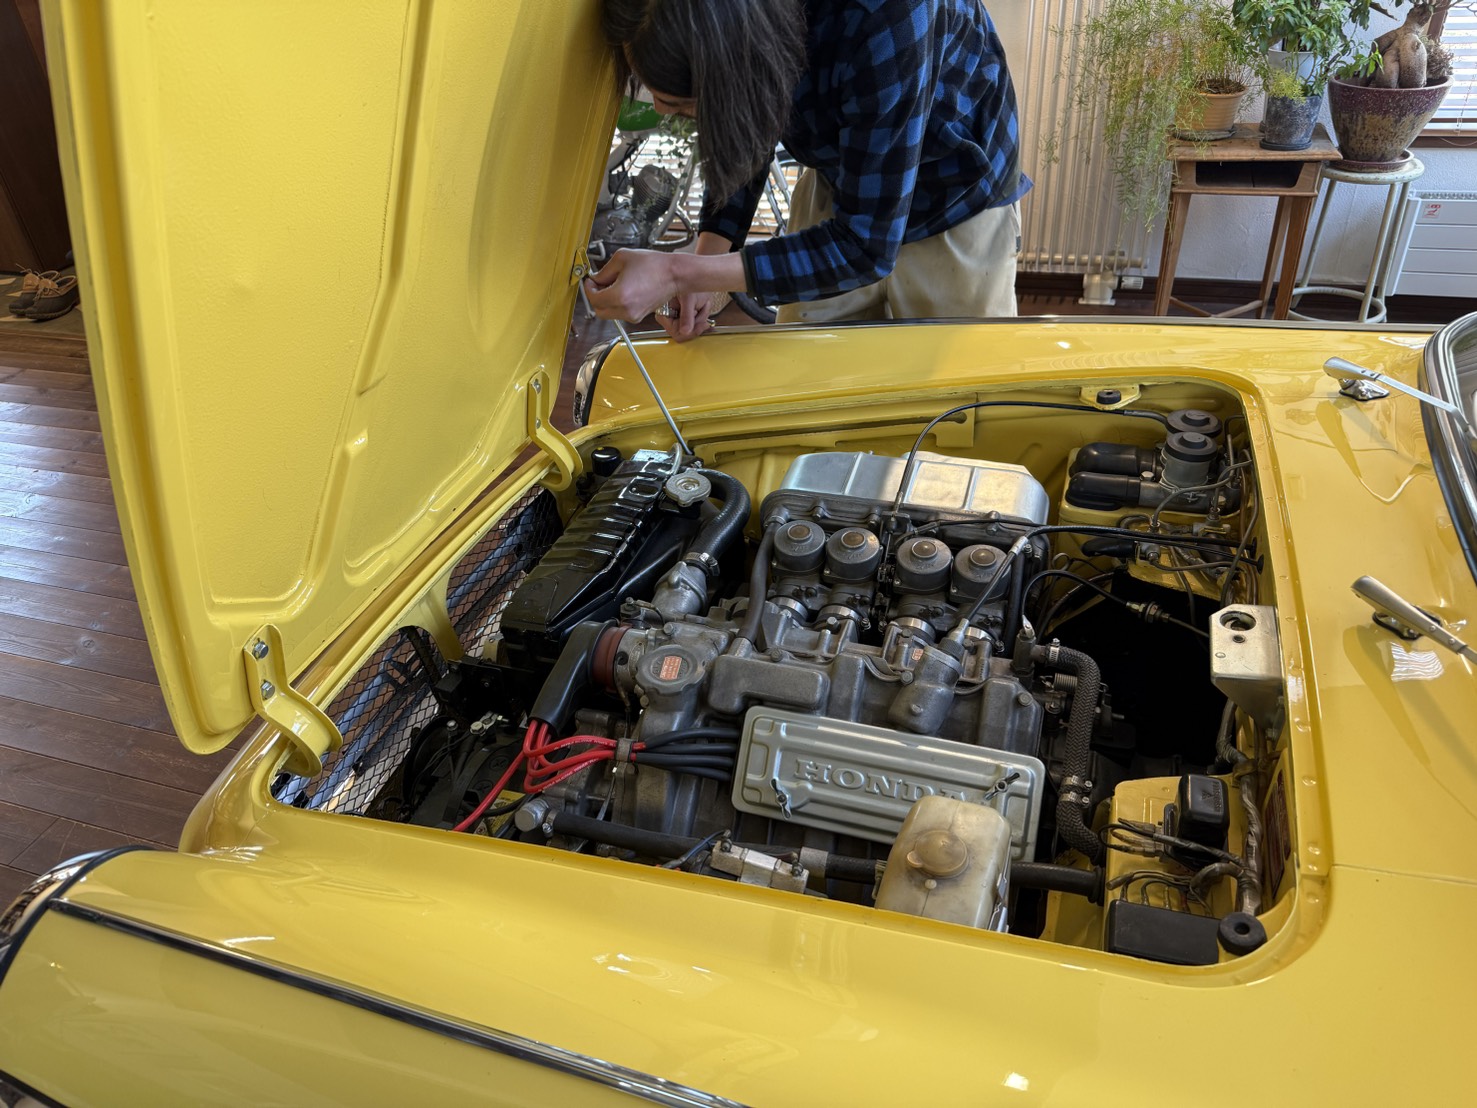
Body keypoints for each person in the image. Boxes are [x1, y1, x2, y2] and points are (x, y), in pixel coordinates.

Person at [586, 0, 1029, 341]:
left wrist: (678, 272)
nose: (663, 110)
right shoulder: (752, 27)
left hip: (958, 194)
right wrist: (706, 259)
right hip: (840, 178)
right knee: (803, 381)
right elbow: (747, 113)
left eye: (684, 106)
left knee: (955, 403)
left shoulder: (888, 13)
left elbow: (865, 247)